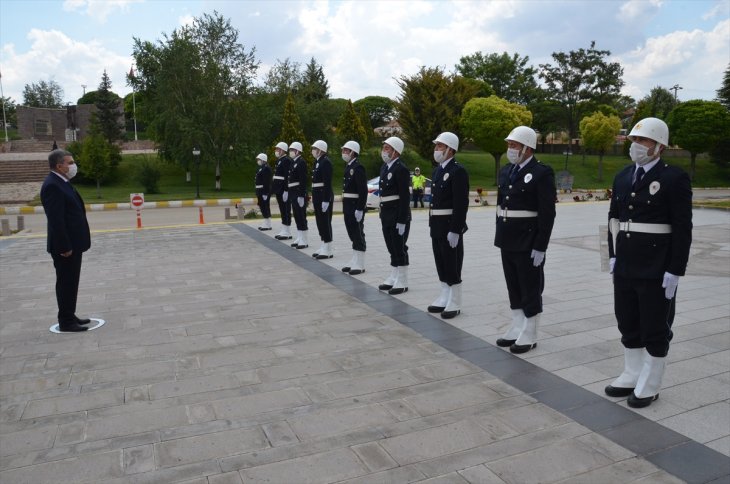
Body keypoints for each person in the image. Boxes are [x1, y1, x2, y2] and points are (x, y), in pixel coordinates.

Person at [605, 117, 692, 408]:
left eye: (643, 141)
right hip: (626, 263)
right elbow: (613, 220)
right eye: (634, 141)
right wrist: (612, 256)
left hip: (657, 265)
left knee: (655, 324)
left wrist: (675, 269)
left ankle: (651, 383)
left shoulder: (674, 178)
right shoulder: (623, 176)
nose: (637, 146)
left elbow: (682, 228)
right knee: (627, 319)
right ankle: (632, 373)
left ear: (659, 146)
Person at [494, 126, 556, 354]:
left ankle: (530, 330)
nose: (510, 149)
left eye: (514, 145)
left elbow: (547, 213)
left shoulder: (541, 172)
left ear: (528, 148)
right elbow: (502, 204)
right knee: (513, 284)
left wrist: (541, 245)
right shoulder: (507, 170)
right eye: (509, 145)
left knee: (530, 286)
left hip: (528, 240)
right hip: (507, 237)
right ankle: (517, 324)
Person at [40, 149, 91, 332]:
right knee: (66, 282)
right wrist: (64, 246)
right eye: (70, 162)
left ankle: (70, 314)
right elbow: (56, 220)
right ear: (59, 165)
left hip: (73, 243)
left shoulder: (62, 181)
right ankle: (66, 321)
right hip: (65, 246)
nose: (73, 166)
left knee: (71, 281)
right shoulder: (52, 185)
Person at [427, 132, 469, 319]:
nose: (436, 150)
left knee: (452, 261)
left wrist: (456, 229)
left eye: (440, 147)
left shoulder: (457, 171)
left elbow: (461, 203)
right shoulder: (437, 171)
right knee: (440, 260)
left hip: (449, 224)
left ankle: (455, 300)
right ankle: (445, 293)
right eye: (436, 146)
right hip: (436, 223)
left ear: (451, 149)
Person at [377, 136, 411, 295]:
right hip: (386, 213)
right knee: (391, 246)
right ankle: (394, 274)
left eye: (387, 148)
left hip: (398, 214)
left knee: (399, 246)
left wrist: (402, 219)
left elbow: (405, 196)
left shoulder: (401, 169)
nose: (384, 151)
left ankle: (402, 280)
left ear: (396, 152)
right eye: (384, 148)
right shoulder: (385, 168)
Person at [340, 140, 367, 275]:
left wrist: (360, 208)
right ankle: (355, 258)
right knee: (351, 232)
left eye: (346, 150)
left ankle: (360, 263)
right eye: (343, 150)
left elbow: (362, 190)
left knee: (357, 233)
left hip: (355, 205)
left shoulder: (358, 167)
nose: (344, 153)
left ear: (353, 152)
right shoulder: (348, 166)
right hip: (348, 205)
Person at [310, 140, 334, 259]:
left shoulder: (326, 162)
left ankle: (328, 248)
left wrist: (326, 199)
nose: (313, 150)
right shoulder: (318, 162)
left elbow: (327, 182)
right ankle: (324, 243)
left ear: (321, 150)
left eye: (314, 148)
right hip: (317, 195)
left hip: (323, 195)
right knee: (320, 221)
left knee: (325, 221)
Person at [288, 141, 309, 249]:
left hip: (298, 192)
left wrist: (301, 195)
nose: (290, 152)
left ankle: (304, 239)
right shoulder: (293, 162)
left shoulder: (301, 162)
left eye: (292, 150)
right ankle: (300, 236)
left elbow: (303, 180)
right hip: (293, 192)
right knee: (296, 215)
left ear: (297, 151)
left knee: (301, 215)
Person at [272, 142, 293, 240]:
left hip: (283, 189)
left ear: (283, 150)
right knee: (282, 209)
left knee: (286, 209)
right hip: (279, 189)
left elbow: (286, 176)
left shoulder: (286, 160)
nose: (276, 151)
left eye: (278, 149)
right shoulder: (280, 160)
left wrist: (286, 190)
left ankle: (287, 231)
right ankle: (284, 228)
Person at [254, 153, 272, 231]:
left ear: (263, 160)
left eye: (259, 159)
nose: (258, 161)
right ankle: (266, 221)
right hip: (259, 190)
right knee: (262, 206)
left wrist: (265, 193)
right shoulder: (261, 168)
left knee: (265, 206)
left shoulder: (266, 168)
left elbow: (266, 181)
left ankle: (268, 223)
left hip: (263, 190)